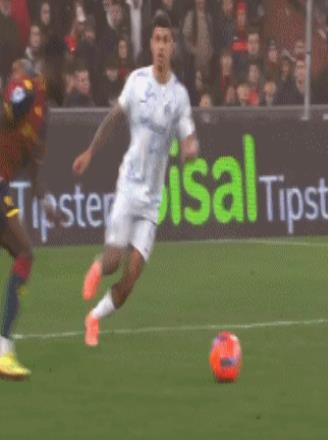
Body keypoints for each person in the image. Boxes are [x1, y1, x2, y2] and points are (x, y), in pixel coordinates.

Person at [72, 12, 199, 347]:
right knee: (114, 262)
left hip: (152, 200)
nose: (161, 46)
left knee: (130, 279)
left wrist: (190, 149)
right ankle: (98, 266)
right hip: (129, 186)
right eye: (156, 39)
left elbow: (189, 137)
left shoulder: (179, 96)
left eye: (166, 40)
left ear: (173, 46)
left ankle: (93, 318)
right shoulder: (137, 82)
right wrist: (90, 152)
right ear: (151, 45)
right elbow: (113, 119)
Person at [0, 45, 64, 380]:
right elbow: (6, 115)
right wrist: (12, 110)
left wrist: (48, 204)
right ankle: (3, 350)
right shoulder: (25, 84)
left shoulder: (44, 120)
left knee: (25, 253)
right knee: (25, 251)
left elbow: (35, 176)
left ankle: (4, 349)